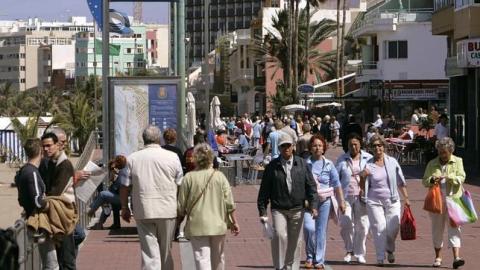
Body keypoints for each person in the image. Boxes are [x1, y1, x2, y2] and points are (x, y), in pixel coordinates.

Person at [120, 125, 184, 270]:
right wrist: (180, 206)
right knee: (166, 251)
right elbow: (180, 183)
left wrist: (124, 207)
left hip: (143, 208)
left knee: (149, 252)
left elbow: (124, 185)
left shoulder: (132, 158)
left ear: (143, 140)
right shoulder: (172, 157)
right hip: (167, 209)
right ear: (159, 139)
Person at [257, 133, 318, 270]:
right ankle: (279, 266)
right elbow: (264, 191)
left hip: (297, 208)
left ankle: (291, 267)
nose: (286, 148)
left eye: (288, 145)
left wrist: (313, 205)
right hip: (279, 208)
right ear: (279, 148)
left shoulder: (302, 164)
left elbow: (311, 186)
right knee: (279, 235)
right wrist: (262, 212)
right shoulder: (272, 167)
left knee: (295, 241)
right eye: (283, 146)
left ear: (293, 147)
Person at [177, 143, 240, 269]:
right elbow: (229, 203)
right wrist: (234, 222)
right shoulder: (220, 176)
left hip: (197, 224)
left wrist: (179, 220)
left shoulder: (189, 177)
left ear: (195, 159)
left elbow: (181, 205)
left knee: (202, 258)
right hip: (218, 223)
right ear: (211, 158)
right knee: (218, 257)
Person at [359, 135, 410, 266]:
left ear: (384, 147)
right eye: (374, 146)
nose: (377, 148)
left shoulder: (392, 161)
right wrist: (363, 177)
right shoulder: (368, 164)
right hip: (374, 200)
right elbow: (362, 185)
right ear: (371, 148)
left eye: (379, 145)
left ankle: (390, 249)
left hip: (392, 199)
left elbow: (400, 181)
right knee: (379, 227)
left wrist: (406, 198)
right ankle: (380, 257)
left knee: (393, 228)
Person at [303, 135, 345, 269]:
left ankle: (319, 259)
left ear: (324, 148)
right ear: (310, 148)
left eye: (320, 145)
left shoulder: (329, 164)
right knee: (309, 228)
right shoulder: (305, 164)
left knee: (321, 231)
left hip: (325, 201)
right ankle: (309, 256)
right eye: (314, 145)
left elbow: (337, 184)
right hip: (309, 202)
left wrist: (341, 202)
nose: (317, 148)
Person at [422, 137, 465, 269]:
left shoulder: (458, 161)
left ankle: (456, 258)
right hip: (437, 202)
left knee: (455, 229)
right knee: (437, 229)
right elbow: (424, 181)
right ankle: (438, 257)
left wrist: (450, 178)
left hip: (454, 201)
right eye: (440, 152)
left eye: (444, 152)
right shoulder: (432, 163)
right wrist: (432, 180)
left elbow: (462, 177)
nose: (442, 154)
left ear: (450, 151)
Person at [15, 138, 58, 270]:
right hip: (39, 224)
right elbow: (37, 201)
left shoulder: (23, 171)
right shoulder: (32, 172)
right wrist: (52, 205)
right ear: (40, 151)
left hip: (32, 220)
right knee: (51, 265)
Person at [39, 132, 76, 270]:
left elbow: (55, 192)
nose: (46, 149)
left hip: (63, 215)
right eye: (43, 146)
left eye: (49, 146)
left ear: (57, 145)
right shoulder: (47, 163)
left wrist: (40, 202)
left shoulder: (64, 164)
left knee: (67, 259)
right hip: (55, 215)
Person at [336, 133, 372, 264]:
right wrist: (338, 199)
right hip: (346, 196)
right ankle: (349, 249)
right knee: (346, 223)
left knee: (362, 225)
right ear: (347, 146)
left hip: (363, 196)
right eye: (351, 144)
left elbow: (374, 175)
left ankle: (359, 252)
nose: (353, 146)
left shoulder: (368, 158)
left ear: (360, 144)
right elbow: (336, 179)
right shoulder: (341, 159)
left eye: (355, 144)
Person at [87, 155, 126, 230]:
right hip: (121, 197)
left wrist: (114, 177)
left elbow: (115, 188)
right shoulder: (120, 173)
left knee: (103, 195)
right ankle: (110, 224)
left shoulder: (122, 174)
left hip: (124, 199)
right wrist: (113, 176)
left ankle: (91, 211)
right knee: (106, 202)